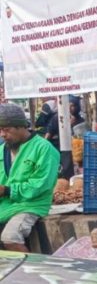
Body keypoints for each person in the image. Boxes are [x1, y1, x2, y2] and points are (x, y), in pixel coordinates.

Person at [0, 103, 60, 253]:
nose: (2, 134)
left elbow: (41, 184)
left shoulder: (44, 148)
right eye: (0, 130)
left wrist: (7, 190)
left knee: (10, 238)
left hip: (31, 205)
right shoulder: (2, 149)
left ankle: (29, 274)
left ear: (21, 127)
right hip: (5, 205)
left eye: (6, 130)